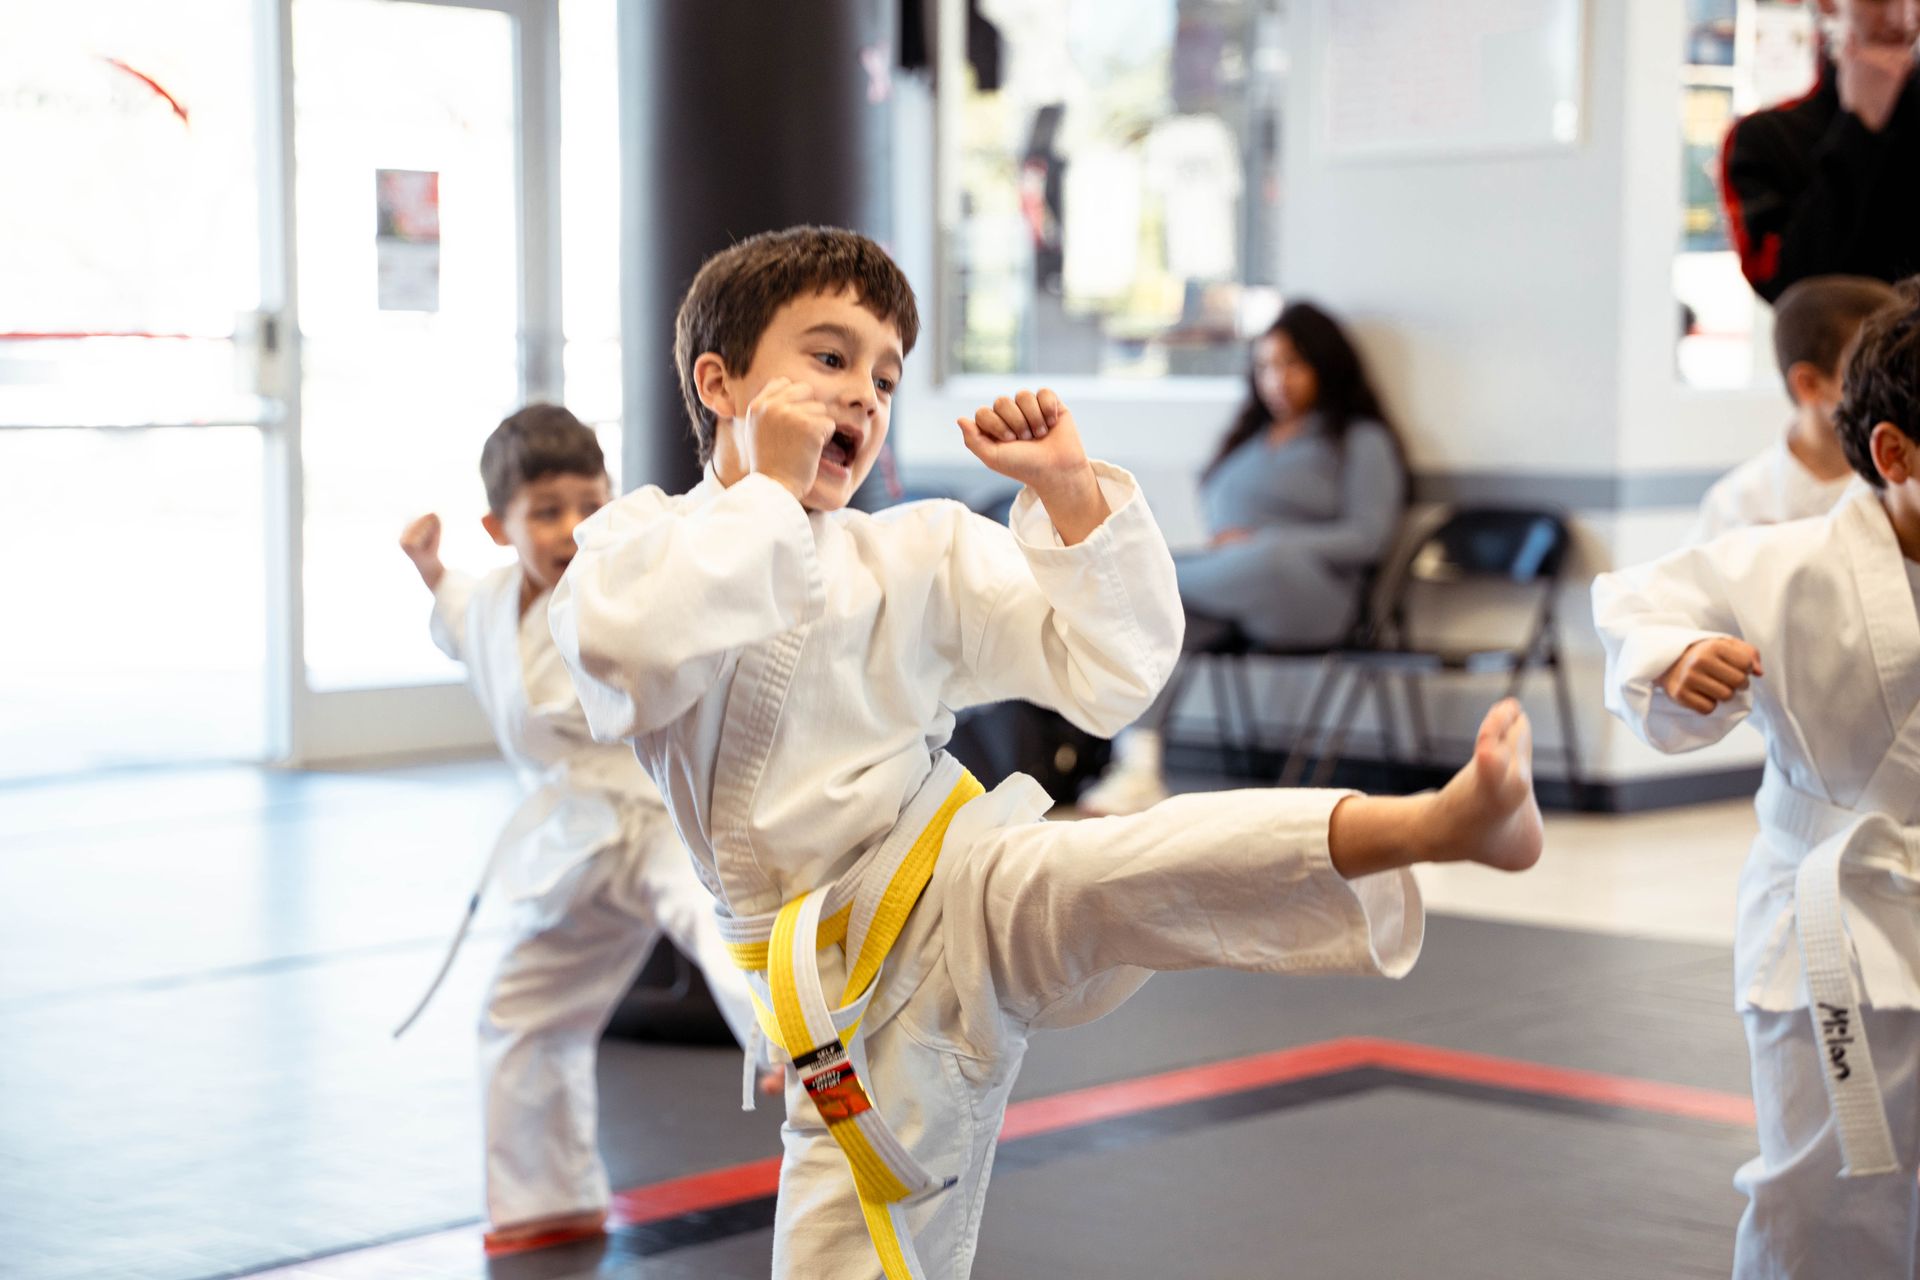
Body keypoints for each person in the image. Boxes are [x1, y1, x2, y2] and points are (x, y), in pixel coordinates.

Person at [550, 225, 1545, 1279]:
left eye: (886, 376)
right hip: (831, 985)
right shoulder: (640, 542)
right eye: (830, 358)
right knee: (853, 1253)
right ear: (720, 381)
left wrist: (1071, 493)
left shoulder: (915, 549)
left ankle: (1435, 821)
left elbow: (1113, 669)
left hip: (949, 876)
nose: (863, 397)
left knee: (1126, 864)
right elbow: (624, 656)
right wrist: (765, 497)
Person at [1594, 279, 1920, 1277]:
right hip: (1836, 921)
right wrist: (1677, 656)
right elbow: (1640, 601)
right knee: (1823, 1188)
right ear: (1897, 455)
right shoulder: (1788, 561)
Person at [395, 405, 764, 1254]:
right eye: (547, 512)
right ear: (501, 526)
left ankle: (803, 1058)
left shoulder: (627, 586)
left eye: (589, 505)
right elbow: (456, 615)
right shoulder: (490, 604)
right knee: (524, 1008)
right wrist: (427, 567)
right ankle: (544, 1198)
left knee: (722, 931)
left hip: (661, 812)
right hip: (571, 841)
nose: (572, 530)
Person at [1078, 301, 1406, 816]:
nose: (1277, 380)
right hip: (1229, 587)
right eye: (1265, 367)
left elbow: (1368, 538)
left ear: (1327, 364)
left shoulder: (1361, 440)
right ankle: (1137, 768)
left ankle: (1144, 575)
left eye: (1292, 364)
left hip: (1314, 597)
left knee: (1234, 566)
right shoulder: (1249, 440)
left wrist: (1264, 540)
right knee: (1163, 622)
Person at [1721, 0, 1920, 302]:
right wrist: (1859, 129)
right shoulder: (1764, 138)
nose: (1903, 18)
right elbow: (1795, 295)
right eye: (1879, 1)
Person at [1689, 274, 1896, 543]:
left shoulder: (1902, 489)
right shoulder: (1738, 507)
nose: (1892, 390)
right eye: (1869, 375)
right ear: (1808, 384)